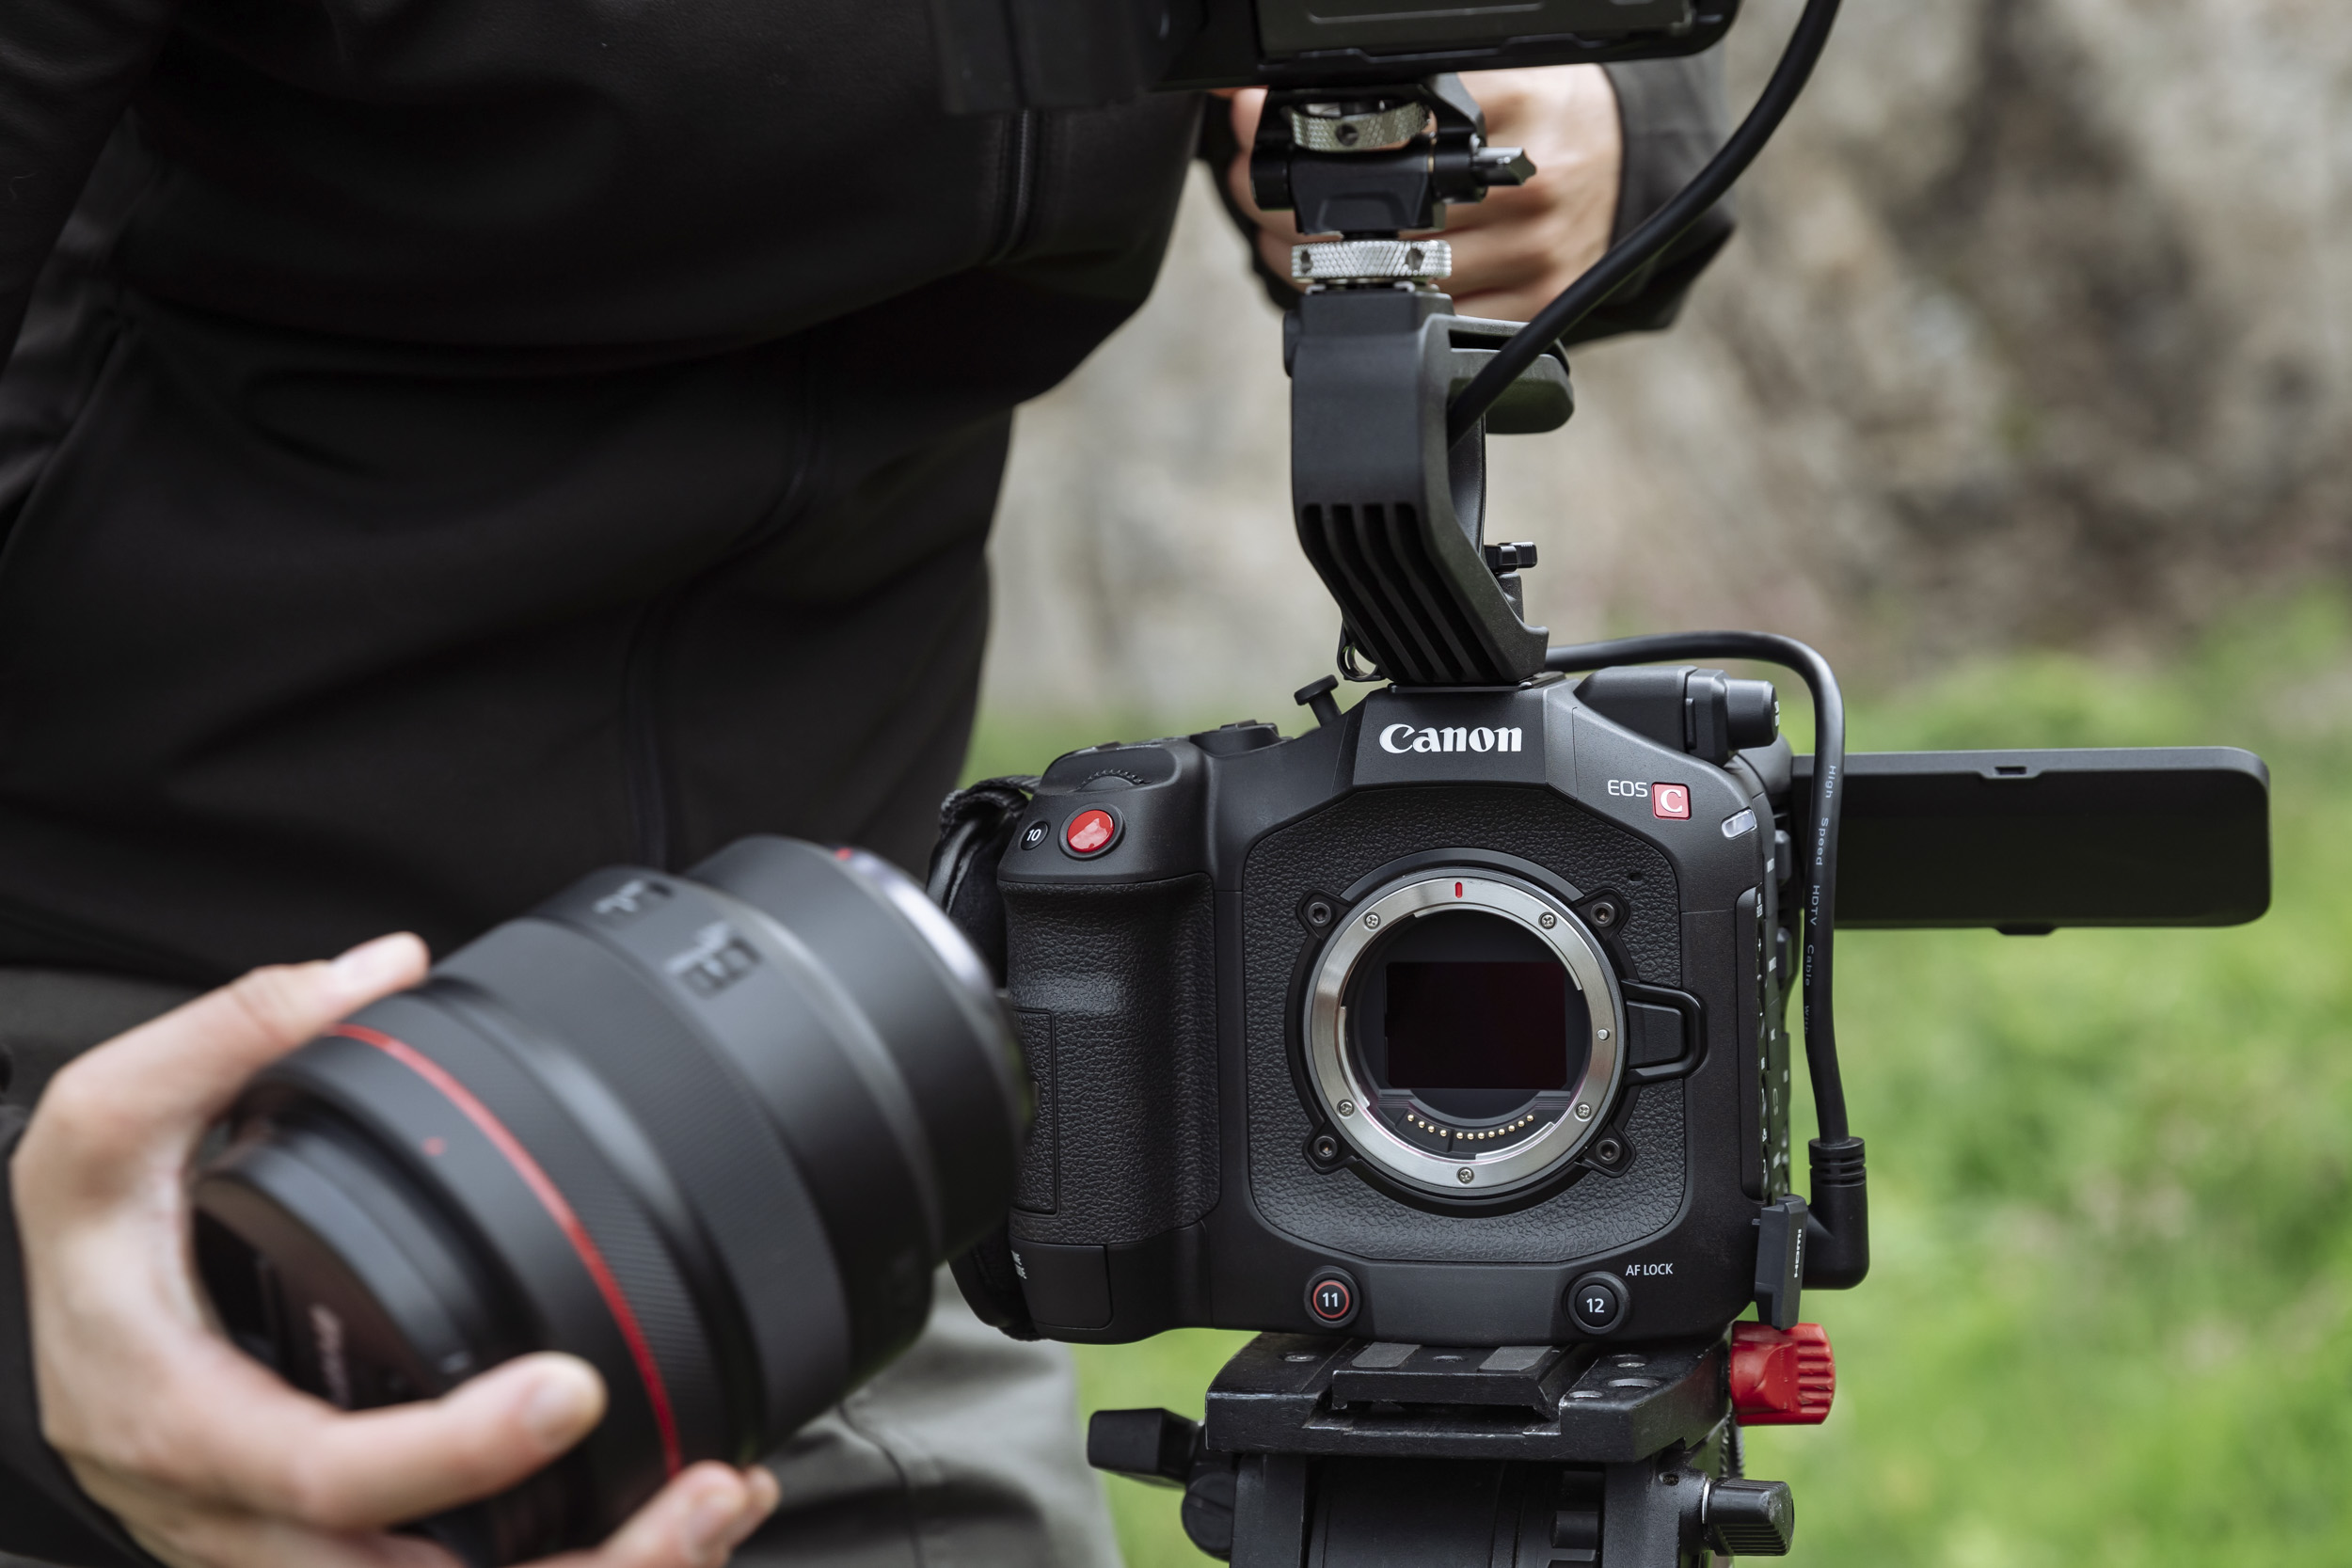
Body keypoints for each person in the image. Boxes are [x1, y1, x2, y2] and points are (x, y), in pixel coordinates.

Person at [0, 4, 1736, 1564]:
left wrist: (1583, 120)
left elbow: (1598, 58)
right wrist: (40, 1314)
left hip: (808, 1051)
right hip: (134, 1039)